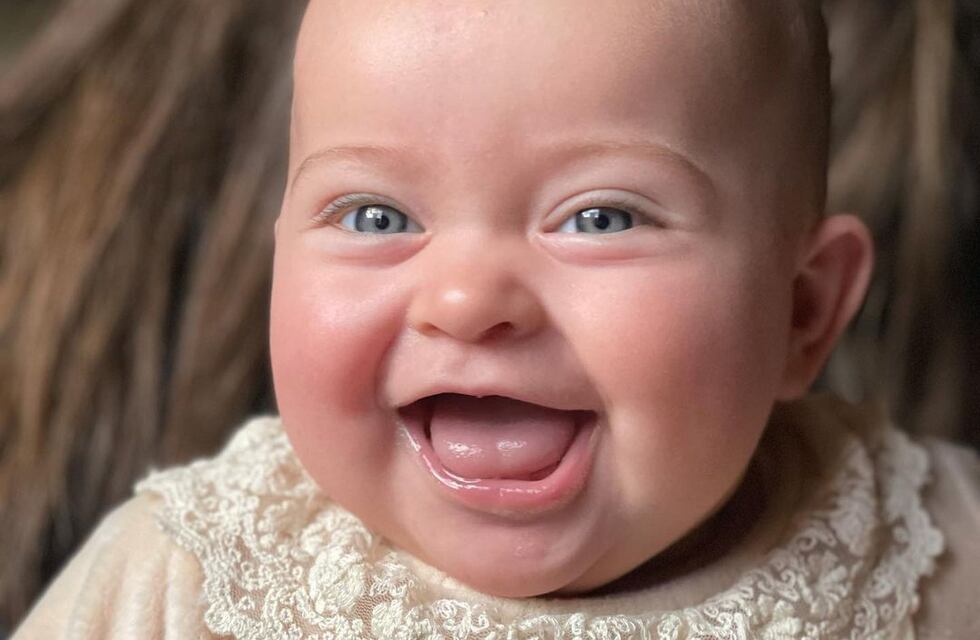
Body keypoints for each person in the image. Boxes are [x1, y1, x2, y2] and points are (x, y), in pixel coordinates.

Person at [11, 1, 979, 638]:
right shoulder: (183, 584)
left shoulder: (934, 548)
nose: (468, 301)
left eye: (599, 217)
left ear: (802, 312)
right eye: (375, 216)